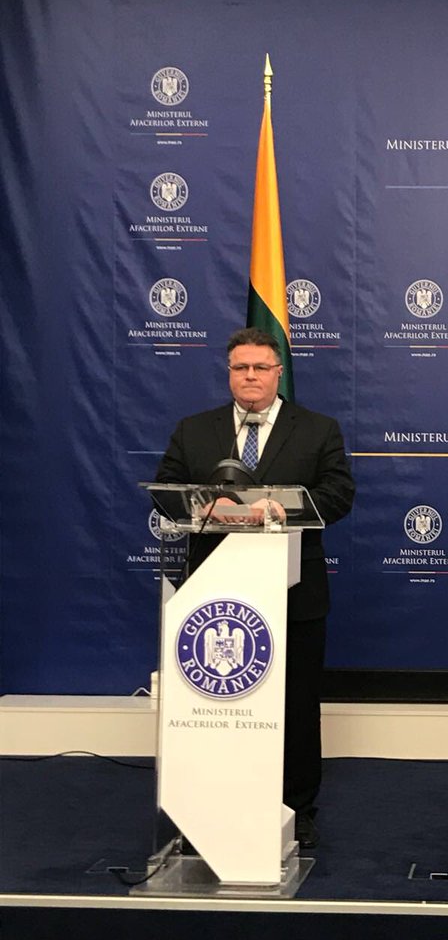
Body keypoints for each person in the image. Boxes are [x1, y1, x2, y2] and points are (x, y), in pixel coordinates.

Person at [156, 326, 355, 848]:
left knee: (296, 704)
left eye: (260, 368)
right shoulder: (194, 430)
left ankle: (296, 808)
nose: (250, 376)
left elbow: (339, 494)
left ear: (278, 373)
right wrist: (206, 504)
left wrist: (281, 509)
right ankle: (210, 807)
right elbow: (166, 491)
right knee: (217, 702)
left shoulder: (317, 429)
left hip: (294, 593)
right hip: (213, 595)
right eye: (240, 368)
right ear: (229, 373)